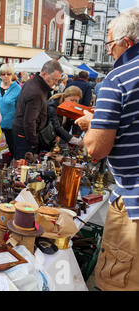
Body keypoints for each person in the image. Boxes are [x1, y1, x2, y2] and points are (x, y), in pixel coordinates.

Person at [75, 7, 139, 291]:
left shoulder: (119, 77)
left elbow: (96, 149)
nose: (109, 52)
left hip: (134, 201)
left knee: (118, 281)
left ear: (127, 42)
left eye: (110, 45)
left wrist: (92, 124)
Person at [12, 60, 63, 159]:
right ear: (44, 74)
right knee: (23, 167)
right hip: (25, 137)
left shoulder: (33, 83)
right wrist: (35, 142)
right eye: (54, 79)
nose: (56, 83)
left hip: (23, 133)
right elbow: (29, 121)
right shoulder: (36, 92)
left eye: (58, 80)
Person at [0, 64, 21, 165]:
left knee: (12, 152)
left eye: (8, 74)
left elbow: (19, 109)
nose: (6, 76)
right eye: (3, 74)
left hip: (10, 127)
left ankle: (10, 174)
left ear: (12, 75)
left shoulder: (17, 89)